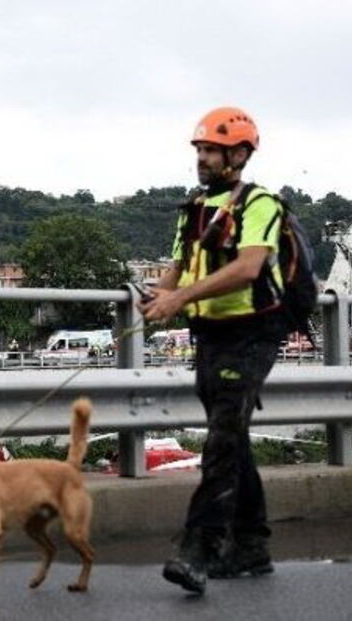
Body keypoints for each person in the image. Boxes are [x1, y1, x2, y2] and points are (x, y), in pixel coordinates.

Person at [140, 107, 288, 595]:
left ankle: (198, 548)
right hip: (210, 335)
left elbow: (248, 268)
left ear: (240, 154)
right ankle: (252, 547)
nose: (201, 158)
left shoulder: (260, 204)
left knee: (221, 442)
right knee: (233, 436)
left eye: (211, 150)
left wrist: (180, 298)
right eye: (199, 149)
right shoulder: (193, 209)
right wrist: (160, 298)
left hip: (252, 335)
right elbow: (178, 268)